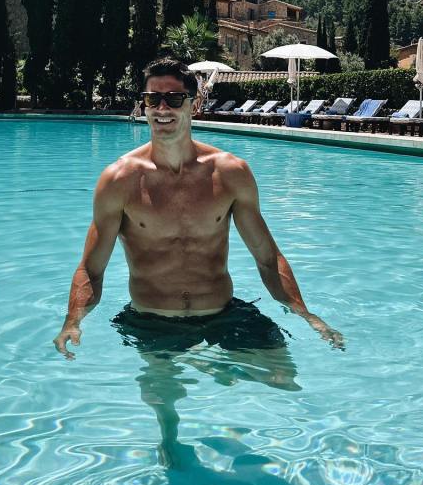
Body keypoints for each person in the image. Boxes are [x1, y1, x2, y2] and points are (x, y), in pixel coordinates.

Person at [54, 57, 343, 357]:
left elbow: (268, 259)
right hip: (152, 321)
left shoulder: (230, 173)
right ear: (144, 105)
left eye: (174, 99)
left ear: (194, 104)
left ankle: (207, 362)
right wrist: (72, 321)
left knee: (284, 380)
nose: (163, 109)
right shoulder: (118, 180)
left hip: (224, 314)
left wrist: (306, 316)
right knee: (162, 399)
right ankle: (201, 362)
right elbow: (91, 269)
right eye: (153, 99)